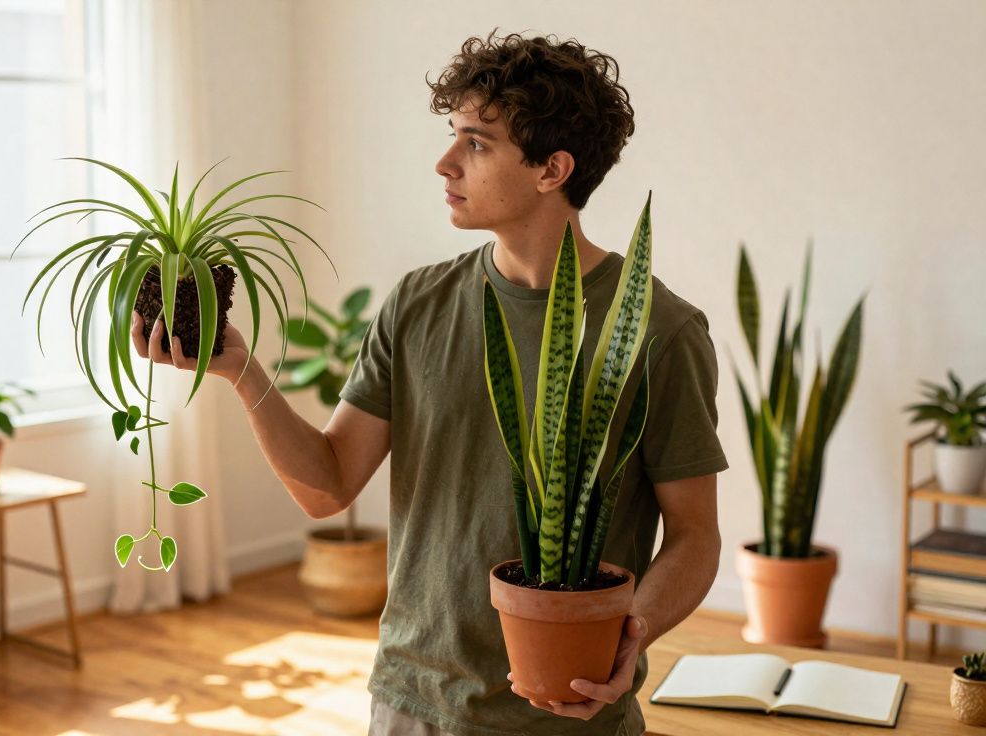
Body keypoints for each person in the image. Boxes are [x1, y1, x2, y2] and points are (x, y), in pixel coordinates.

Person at [131, 29, 725, 736]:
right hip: (411, 704)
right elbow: (326, 486)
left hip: (571, 717)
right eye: (454, 136)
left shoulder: (661, 330)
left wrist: (634, 633)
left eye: (476, 143)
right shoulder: (417, 303)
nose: (445, 163)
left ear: (551, 169)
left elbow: (695, 538)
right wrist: (238, 369)